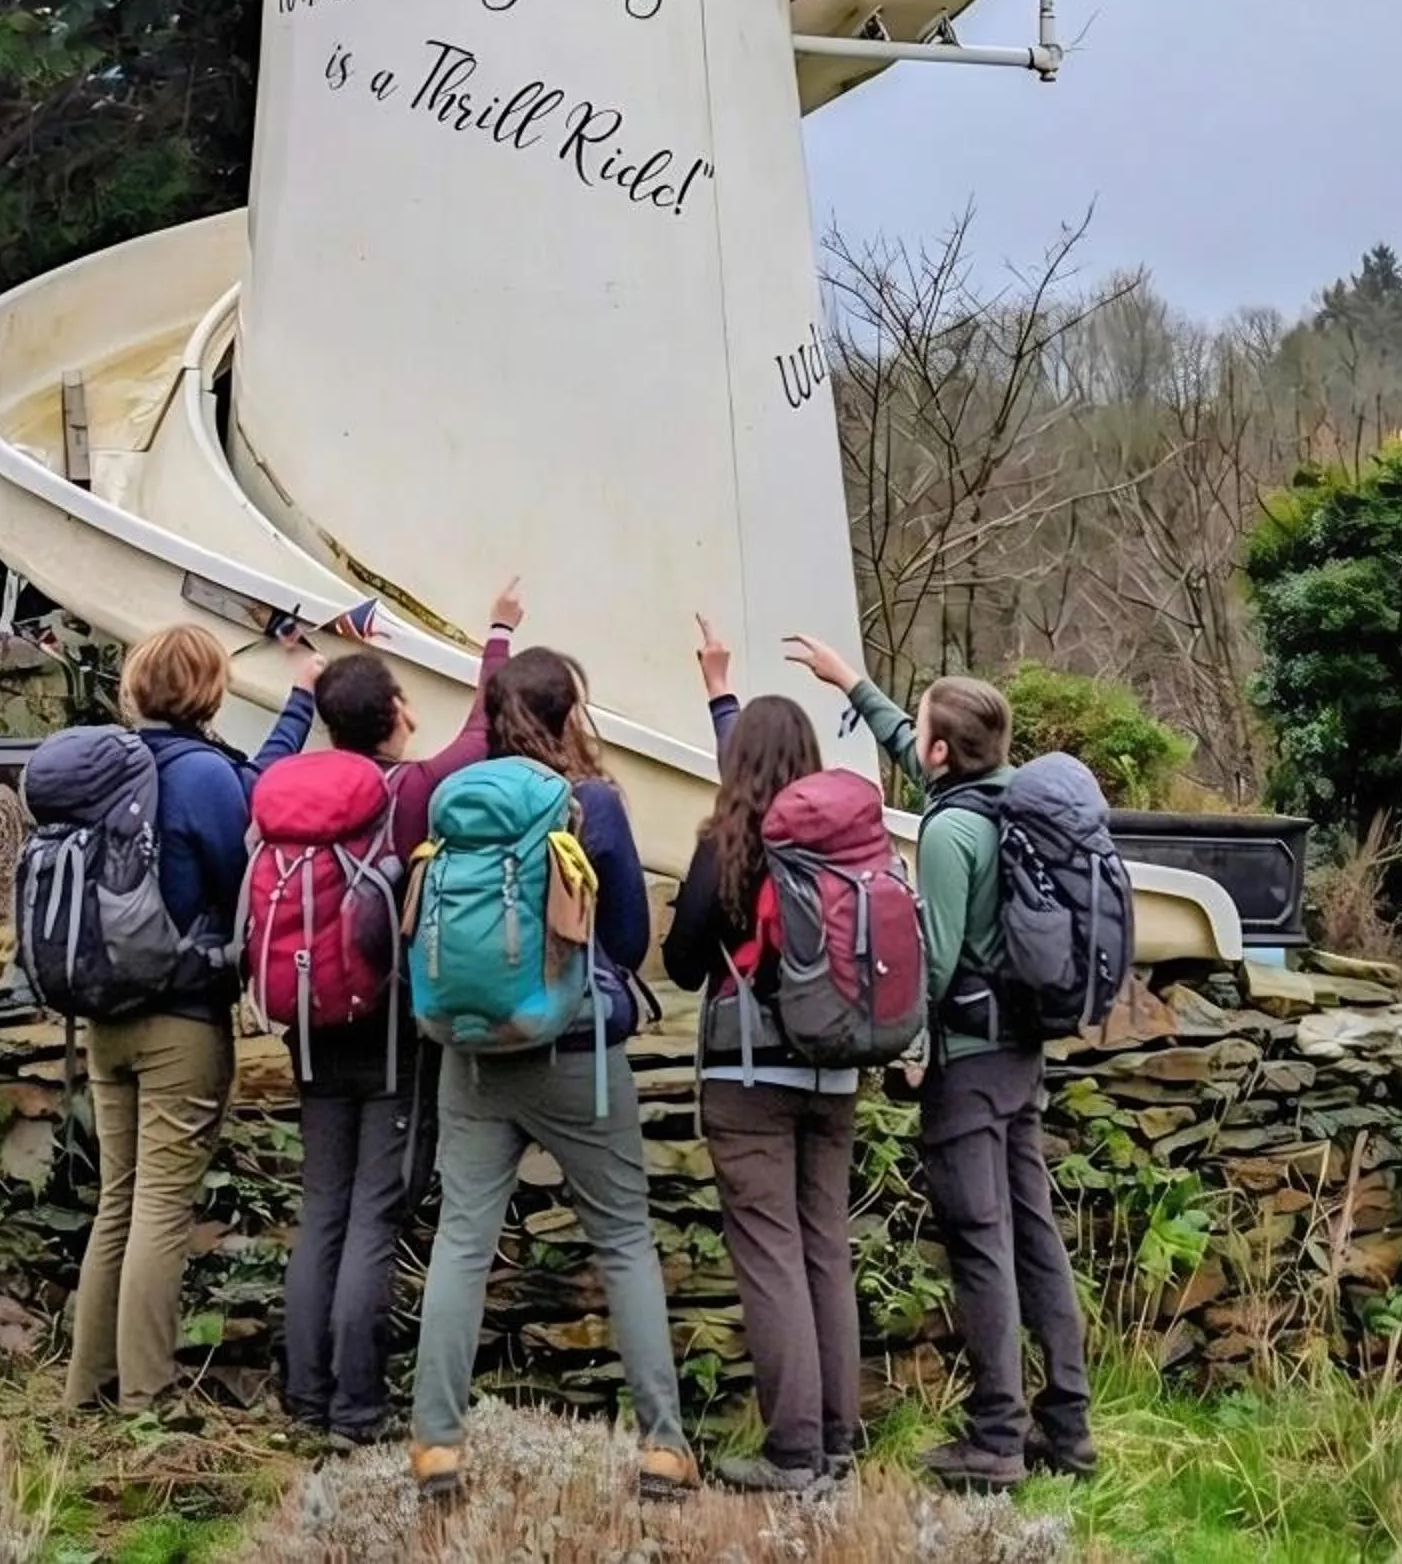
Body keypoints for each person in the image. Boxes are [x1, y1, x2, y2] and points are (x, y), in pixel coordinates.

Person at [785, 633, 1094, 1494]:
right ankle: (1067, 1428)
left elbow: (935, 957)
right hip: (1020, 1055)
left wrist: (912, 1048)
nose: (913, 742)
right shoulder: (1000, 800)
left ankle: (997, 1436)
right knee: (1034, 1234)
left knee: (982, 1244)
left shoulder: (952, 832)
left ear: (941, 748)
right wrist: (853, 683)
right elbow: (920, 760)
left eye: (919, 729)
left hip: (968, 1063)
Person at [409, 648, 698, 1506]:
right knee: (623, 1241)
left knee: (462, 1242)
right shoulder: (592, 805)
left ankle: (435, 1448)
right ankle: (662, 1449)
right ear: (572, 712)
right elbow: (627, 942)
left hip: (469, 1051)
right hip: (576, 1054)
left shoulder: (453, 801)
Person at [280, 580, 525, 1445]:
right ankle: (356, 1408)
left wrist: (297, 681)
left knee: (324, 1211)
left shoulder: (286, 793)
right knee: (377, 1212)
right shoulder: (408, 791)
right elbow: (486, 726)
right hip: (384, 1029)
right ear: (393, 712)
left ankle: (304, 1400)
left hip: (305, 1020)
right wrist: (497, 630)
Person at [65, 622, 321, 1414]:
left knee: (119, 1200)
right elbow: (249, 832)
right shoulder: (206, 775)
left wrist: (297, 707)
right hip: (181, 1019)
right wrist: (302, 696)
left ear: (138, 686)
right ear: (211, 691)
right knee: (162, 1208)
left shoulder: (105, 771)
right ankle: (148, 1394)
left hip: (104, 1012)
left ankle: (86, 1389)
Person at [663, 620, 862, 1496]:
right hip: (837, 1073)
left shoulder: (729, 844)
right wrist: (722, 695)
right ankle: (839, 1442)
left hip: (751, 1082)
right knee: (824, 1249)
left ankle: (791, 1454)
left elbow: (678, 959)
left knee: (773, 1256)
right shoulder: (843, 843)